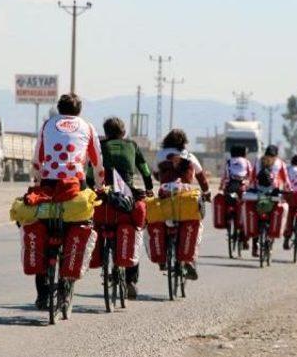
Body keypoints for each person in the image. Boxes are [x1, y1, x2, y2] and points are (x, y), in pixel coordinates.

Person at [30, 93, 105, 309]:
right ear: (79, 110)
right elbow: (97, 162)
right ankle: (65, 287)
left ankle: (42, 294)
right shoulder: (87, 127)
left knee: (42, 230)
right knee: (78, 225)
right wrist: (100, 188)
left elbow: (37, 159)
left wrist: (36, 185)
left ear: (59, 108)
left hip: (49, 184)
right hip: (75, 184)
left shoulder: (47, 125)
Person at [91, 116, 154, 299]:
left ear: (106, 133)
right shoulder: (132, 145)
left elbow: (90, 171)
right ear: (123, 132)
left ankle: (101, 258)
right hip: (127, 195)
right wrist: (149, 188)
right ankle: (130, 279)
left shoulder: (100, 146)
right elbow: (145, 169)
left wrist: (91, 188)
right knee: (135, 230)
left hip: (104, 196)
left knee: (98, 223)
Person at [154, 129, 211, 280]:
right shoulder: (190, 156)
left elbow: (154, 173)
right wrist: (207, 192)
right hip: (185, 197)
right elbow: (201, 178)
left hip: (165, 195)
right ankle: (189, 260)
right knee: (195, 225)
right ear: (184, 142)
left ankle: (162, 257)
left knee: (158, 221)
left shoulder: (160, 155)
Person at [251, 145, 292, 257]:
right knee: (275, 215)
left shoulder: (258, 162)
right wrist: (289, 190)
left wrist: (251, 188)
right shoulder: (280, 163)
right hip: (274, 194)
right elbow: (286, 180)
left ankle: (255, 246)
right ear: (276, 155)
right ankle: (270, 244)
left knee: (256, 216)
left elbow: (252, 177)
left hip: (258, 193)